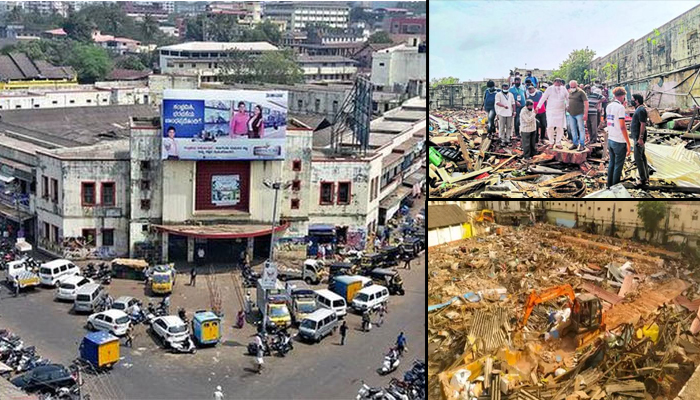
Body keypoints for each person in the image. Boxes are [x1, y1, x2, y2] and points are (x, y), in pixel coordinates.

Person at [605, 87, 631, 188]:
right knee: (618, 166)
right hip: (619, 140)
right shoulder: (620, 108)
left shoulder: (609, 106)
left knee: (612, 163)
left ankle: (609, 185)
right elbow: (622, 126)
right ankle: (615, 187)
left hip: (611, 139)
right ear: (623, 96)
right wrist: (628, 142)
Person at [536, 78, 569, 149]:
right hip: (551, 111)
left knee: (560, 127)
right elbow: (543, 98)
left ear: (561, 83)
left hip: (561, 111)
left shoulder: (563, 89)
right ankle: (551, 142)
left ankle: (558, 142)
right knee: (550, 126)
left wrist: (567, 105)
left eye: (559, 82)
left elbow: (568, 98)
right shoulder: (549, 89)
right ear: (554, 82)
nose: (558, 83)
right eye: (556, 82)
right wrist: (538, 106)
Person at [630, 94, 650, 187]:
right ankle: (646, 177)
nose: (632, 101)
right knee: (642, 156)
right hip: (637, 137)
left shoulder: (641, 110)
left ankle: (643, 179)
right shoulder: (639, 109)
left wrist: (640, 138)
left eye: (633, 99)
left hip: (639, 137)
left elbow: (643, 124)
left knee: (638, 158)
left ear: (637, 100)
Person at [566, 80, 589, 151]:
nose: (572, 88)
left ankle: (582, 144)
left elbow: (586, 103)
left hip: (579, 113)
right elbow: (568, 101)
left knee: (581, 129)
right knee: (573, 129)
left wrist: (585, 114)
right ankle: (575, 143)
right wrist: (567, 107)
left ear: (577, 85)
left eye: (574, 86)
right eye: (571, 87)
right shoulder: (570, 92)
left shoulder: (581, 92)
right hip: (571, 114)